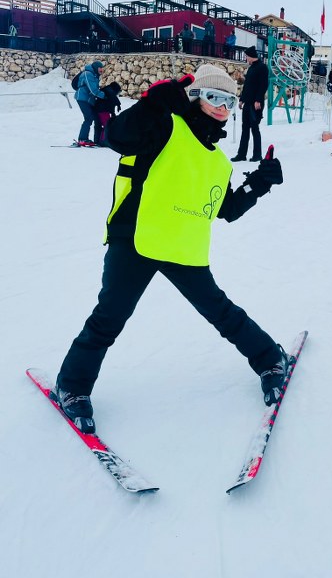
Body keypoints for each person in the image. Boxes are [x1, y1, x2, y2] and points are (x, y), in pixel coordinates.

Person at [53, 64, 288, 434]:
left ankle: (270, 359)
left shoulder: (217, 161)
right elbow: (117, 137)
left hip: (183, 246)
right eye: (213, 97)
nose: (222, 107)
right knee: (109, 318)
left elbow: (225, 209)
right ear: (195, 98)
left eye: (229, 101)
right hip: (136, 239)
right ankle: (72, 386)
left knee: (220, 312)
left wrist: (259, 182)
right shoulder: (163, 126)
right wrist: (151, 105)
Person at [232, 46, 269, 162]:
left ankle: (257, 155)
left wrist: (258, 100)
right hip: (248, 103)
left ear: (251, 56)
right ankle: (241, 154)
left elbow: (263, 85)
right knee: (245, 129)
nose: (246, 58)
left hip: (256, 104)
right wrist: (242, 99)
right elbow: (247, 86)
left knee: (254, 129)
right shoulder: (251, 68)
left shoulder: (262, 67)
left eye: (247, 56)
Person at [75, 60, 106, 146]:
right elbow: (93, 90)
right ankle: (82, 139)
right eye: (100, 68)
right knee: (88, 118)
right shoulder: (88, 74)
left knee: (93, 117)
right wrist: (104, 95)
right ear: (96, 68)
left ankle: (94, 139)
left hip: (88, 99)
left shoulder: (94, 75)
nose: (101, 70)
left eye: (102, 68)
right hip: (82, 98)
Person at [93, 81, 122, 146]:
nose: (117, 93)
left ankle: (97, 140)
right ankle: (103, 141)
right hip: (103, 111)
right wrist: (113, 112)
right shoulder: (110, 91)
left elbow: (113, 100)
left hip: (97, 110)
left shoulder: (107, 90)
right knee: (107, 125)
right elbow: (112, 102)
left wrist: (117, 105)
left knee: (98, 125)